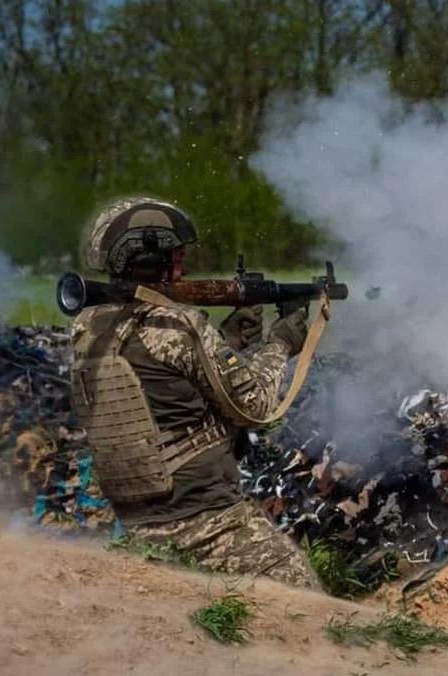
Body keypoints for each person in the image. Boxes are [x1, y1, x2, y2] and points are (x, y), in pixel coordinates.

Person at [68, 196, 318, 588]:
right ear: (151, 261)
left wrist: (226, 340)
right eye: (176, 258)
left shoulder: (88, 327)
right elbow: (253, 407)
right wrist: (280, 345)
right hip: (210, 523)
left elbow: (162, 379)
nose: (183, 268)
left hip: (139, 524)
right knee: (308, 610)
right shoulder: (179, 326)